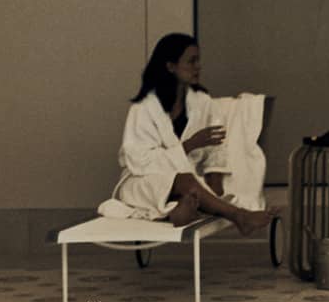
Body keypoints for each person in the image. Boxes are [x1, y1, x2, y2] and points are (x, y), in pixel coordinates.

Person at [112, 33, 275, 235]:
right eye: (191, 61)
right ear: (170, 66)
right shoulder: (143, 108)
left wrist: (215, 184)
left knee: (191, 188)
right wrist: (189, 145)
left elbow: (217, 148)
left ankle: (180, 209)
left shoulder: (202, 102)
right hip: (143, 182)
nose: (198, 66)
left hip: (189, 182)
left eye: (199, 60)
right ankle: (239, 216)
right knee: (185, 181)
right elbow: (138, 160)